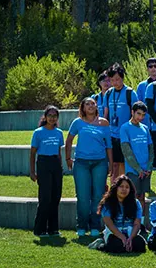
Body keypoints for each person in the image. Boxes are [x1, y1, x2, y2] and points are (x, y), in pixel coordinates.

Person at [67, 97, 111, 237]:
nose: (91, 106)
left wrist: (110, 163)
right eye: (87, 104)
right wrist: (68, 158)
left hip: (100, 163)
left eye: (93, 103)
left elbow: (109, 145)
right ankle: (81, 225)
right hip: (81, 163)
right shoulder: (77, 122)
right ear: (83, 107)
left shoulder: (103, 123)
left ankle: (95, 226)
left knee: (98, 196)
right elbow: (69, 140)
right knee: (83, 196)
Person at [31, 106, 65, 237]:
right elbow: (33, 153)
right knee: (45, 197)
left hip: (55, 164)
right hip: (43, 164)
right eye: (50, 115)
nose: (52, 118)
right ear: (45, 117)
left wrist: (60, 166)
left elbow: (58, 152)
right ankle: (40, 229)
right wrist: (32, 171)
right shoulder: (38, 132)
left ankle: (53, 228)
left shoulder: (59, 132)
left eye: (55, 116)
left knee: (56, 196)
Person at [102, 64, 134, 181]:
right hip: (112, 134)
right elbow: (106, 114)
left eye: (117, 79)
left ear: (122, 78)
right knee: (114, 164)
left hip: (125, 135)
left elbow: (134, 115)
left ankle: (124, 188)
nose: (115, 82)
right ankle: (113, 190)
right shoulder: (109, 93)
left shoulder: (130, 93)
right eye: (112, 80)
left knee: (124, 164)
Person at [98, 176, 146, 253]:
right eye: (121, 186)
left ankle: (127, 244)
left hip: (130, 232)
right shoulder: (107, 203)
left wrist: (130, 238)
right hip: (114, 233)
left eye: (127, 187)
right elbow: (109, 224)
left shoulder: (136, 203)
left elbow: (137, 224)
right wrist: (122, 237)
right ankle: (102, 244)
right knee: (117, 245)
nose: (124, 189)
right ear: (116, 188)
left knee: (140, 245)